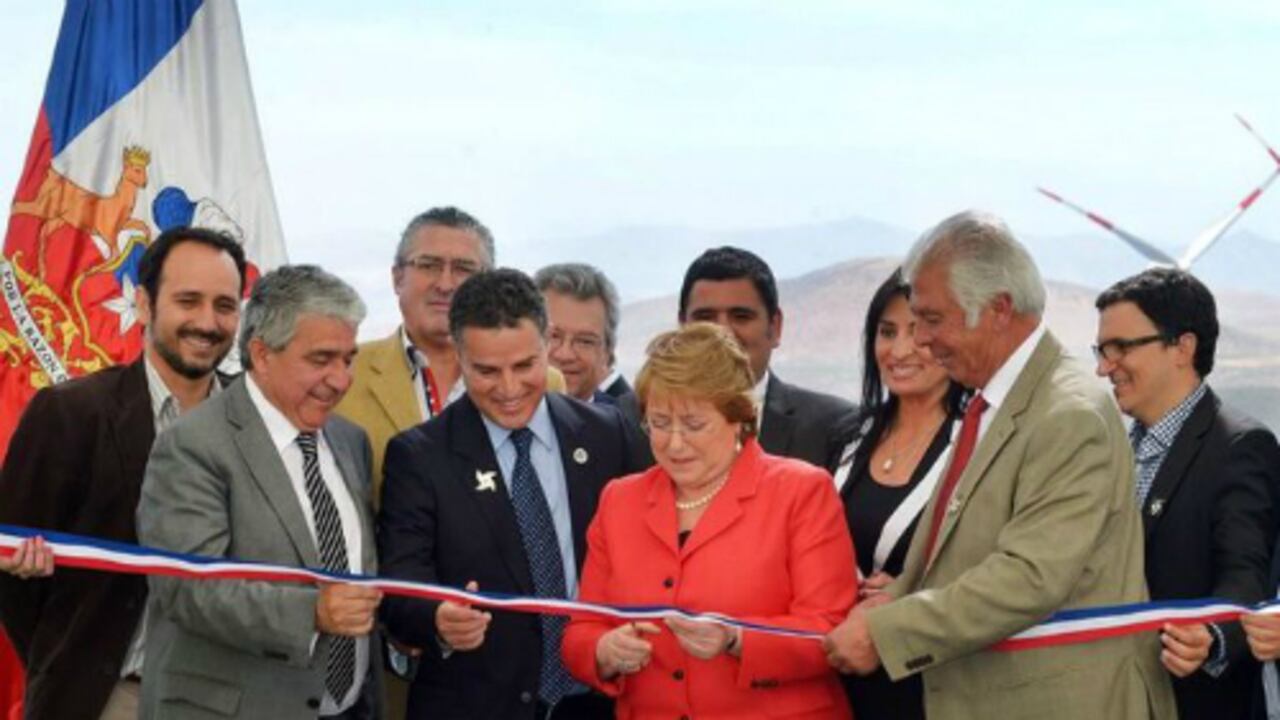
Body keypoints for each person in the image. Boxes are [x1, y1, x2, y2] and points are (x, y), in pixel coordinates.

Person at [823, 210, 1175, 719]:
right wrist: (896, 597)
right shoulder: (994, 403)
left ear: (999, 309)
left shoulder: (1068, 415)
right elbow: (964, 547)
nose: (920, 339)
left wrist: (888, 631)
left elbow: (1029, 576)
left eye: (933, 319)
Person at [0, 226, 247, 720]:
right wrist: (75, 664)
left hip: (228, 699)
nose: (207, 321)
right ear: (143, 304)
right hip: (108, 700)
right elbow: (14, 572)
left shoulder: (256, 421)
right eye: (188, 301)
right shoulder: (70, 413)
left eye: (224, 305)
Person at [378, 268, 647, 720]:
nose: (508, 389)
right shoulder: (419, 457)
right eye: (486, 371)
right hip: (476, 705)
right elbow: (400, 590)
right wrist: (438, 621)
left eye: (525, 366)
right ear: (459, 357)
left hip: (596, 702)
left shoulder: (608, 434)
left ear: (547, 346)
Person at [562, 322, 857, 719]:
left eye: (694, 424)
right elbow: (581, 631)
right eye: (660, 423)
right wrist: (604, 651)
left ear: (739, 416)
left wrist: (738, 639)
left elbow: (830, 631)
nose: (674, 443)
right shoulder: (620, 499)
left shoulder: (801, 491)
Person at [137, 265, 383, 719]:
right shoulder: (192, 444)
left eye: (347, 359)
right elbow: (187, 589)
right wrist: (313, 612)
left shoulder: (350, 441)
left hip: (348, 707)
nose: (341, 379)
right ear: (262, 354)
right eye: (321, 359)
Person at [1095, 268, 1280, 719]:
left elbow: (1246, 577)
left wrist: (1211, 638)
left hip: (1196, 703)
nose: (1104, 367)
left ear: (1183, 347)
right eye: (1101, 350)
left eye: (1121, 347)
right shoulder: (1111, 447)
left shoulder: (1239, 446)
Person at [824, 269, 965, 720]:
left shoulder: (980, 444)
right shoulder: (848, 435)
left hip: (926, 680)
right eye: (887, 332)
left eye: (920, 332)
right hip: (836, 672)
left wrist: (914, 589)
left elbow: (998, 564)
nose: (900, 350)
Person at [678, 246, 853, 467]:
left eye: (741, 317)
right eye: (705, 317)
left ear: (775, 327)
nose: (722, 333)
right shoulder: (631, 426)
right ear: (682, 327)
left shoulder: (834, 427)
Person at [534, 263, 629, 405]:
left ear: (607, 354)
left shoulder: (627, 425)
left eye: (584, 341)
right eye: (552, 336)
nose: (565, 355)